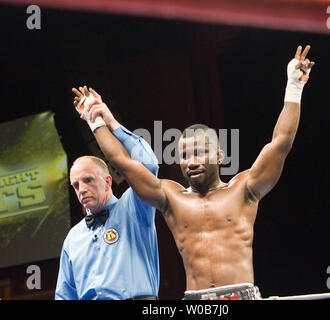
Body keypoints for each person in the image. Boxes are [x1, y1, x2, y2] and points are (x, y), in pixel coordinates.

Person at [80, 45, 315, 300]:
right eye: (184, 156)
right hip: (195, 301)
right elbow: (122, 162)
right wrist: (96, 120)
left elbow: (280, 142)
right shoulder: (170, 197)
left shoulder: (245, 188)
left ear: (219, 156)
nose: (191, 162)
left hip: (242, 295)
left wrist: (294, 86)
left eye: (200, 153)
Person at [55, 87, 160, 300]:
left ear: (107, 181)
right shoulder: (73, 238)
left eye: (88, 180)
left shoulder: (134, 207)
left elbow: (148, 167)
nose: (81, 189)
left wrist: (106, 122)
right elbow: (64, 296)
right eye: (75, 185)